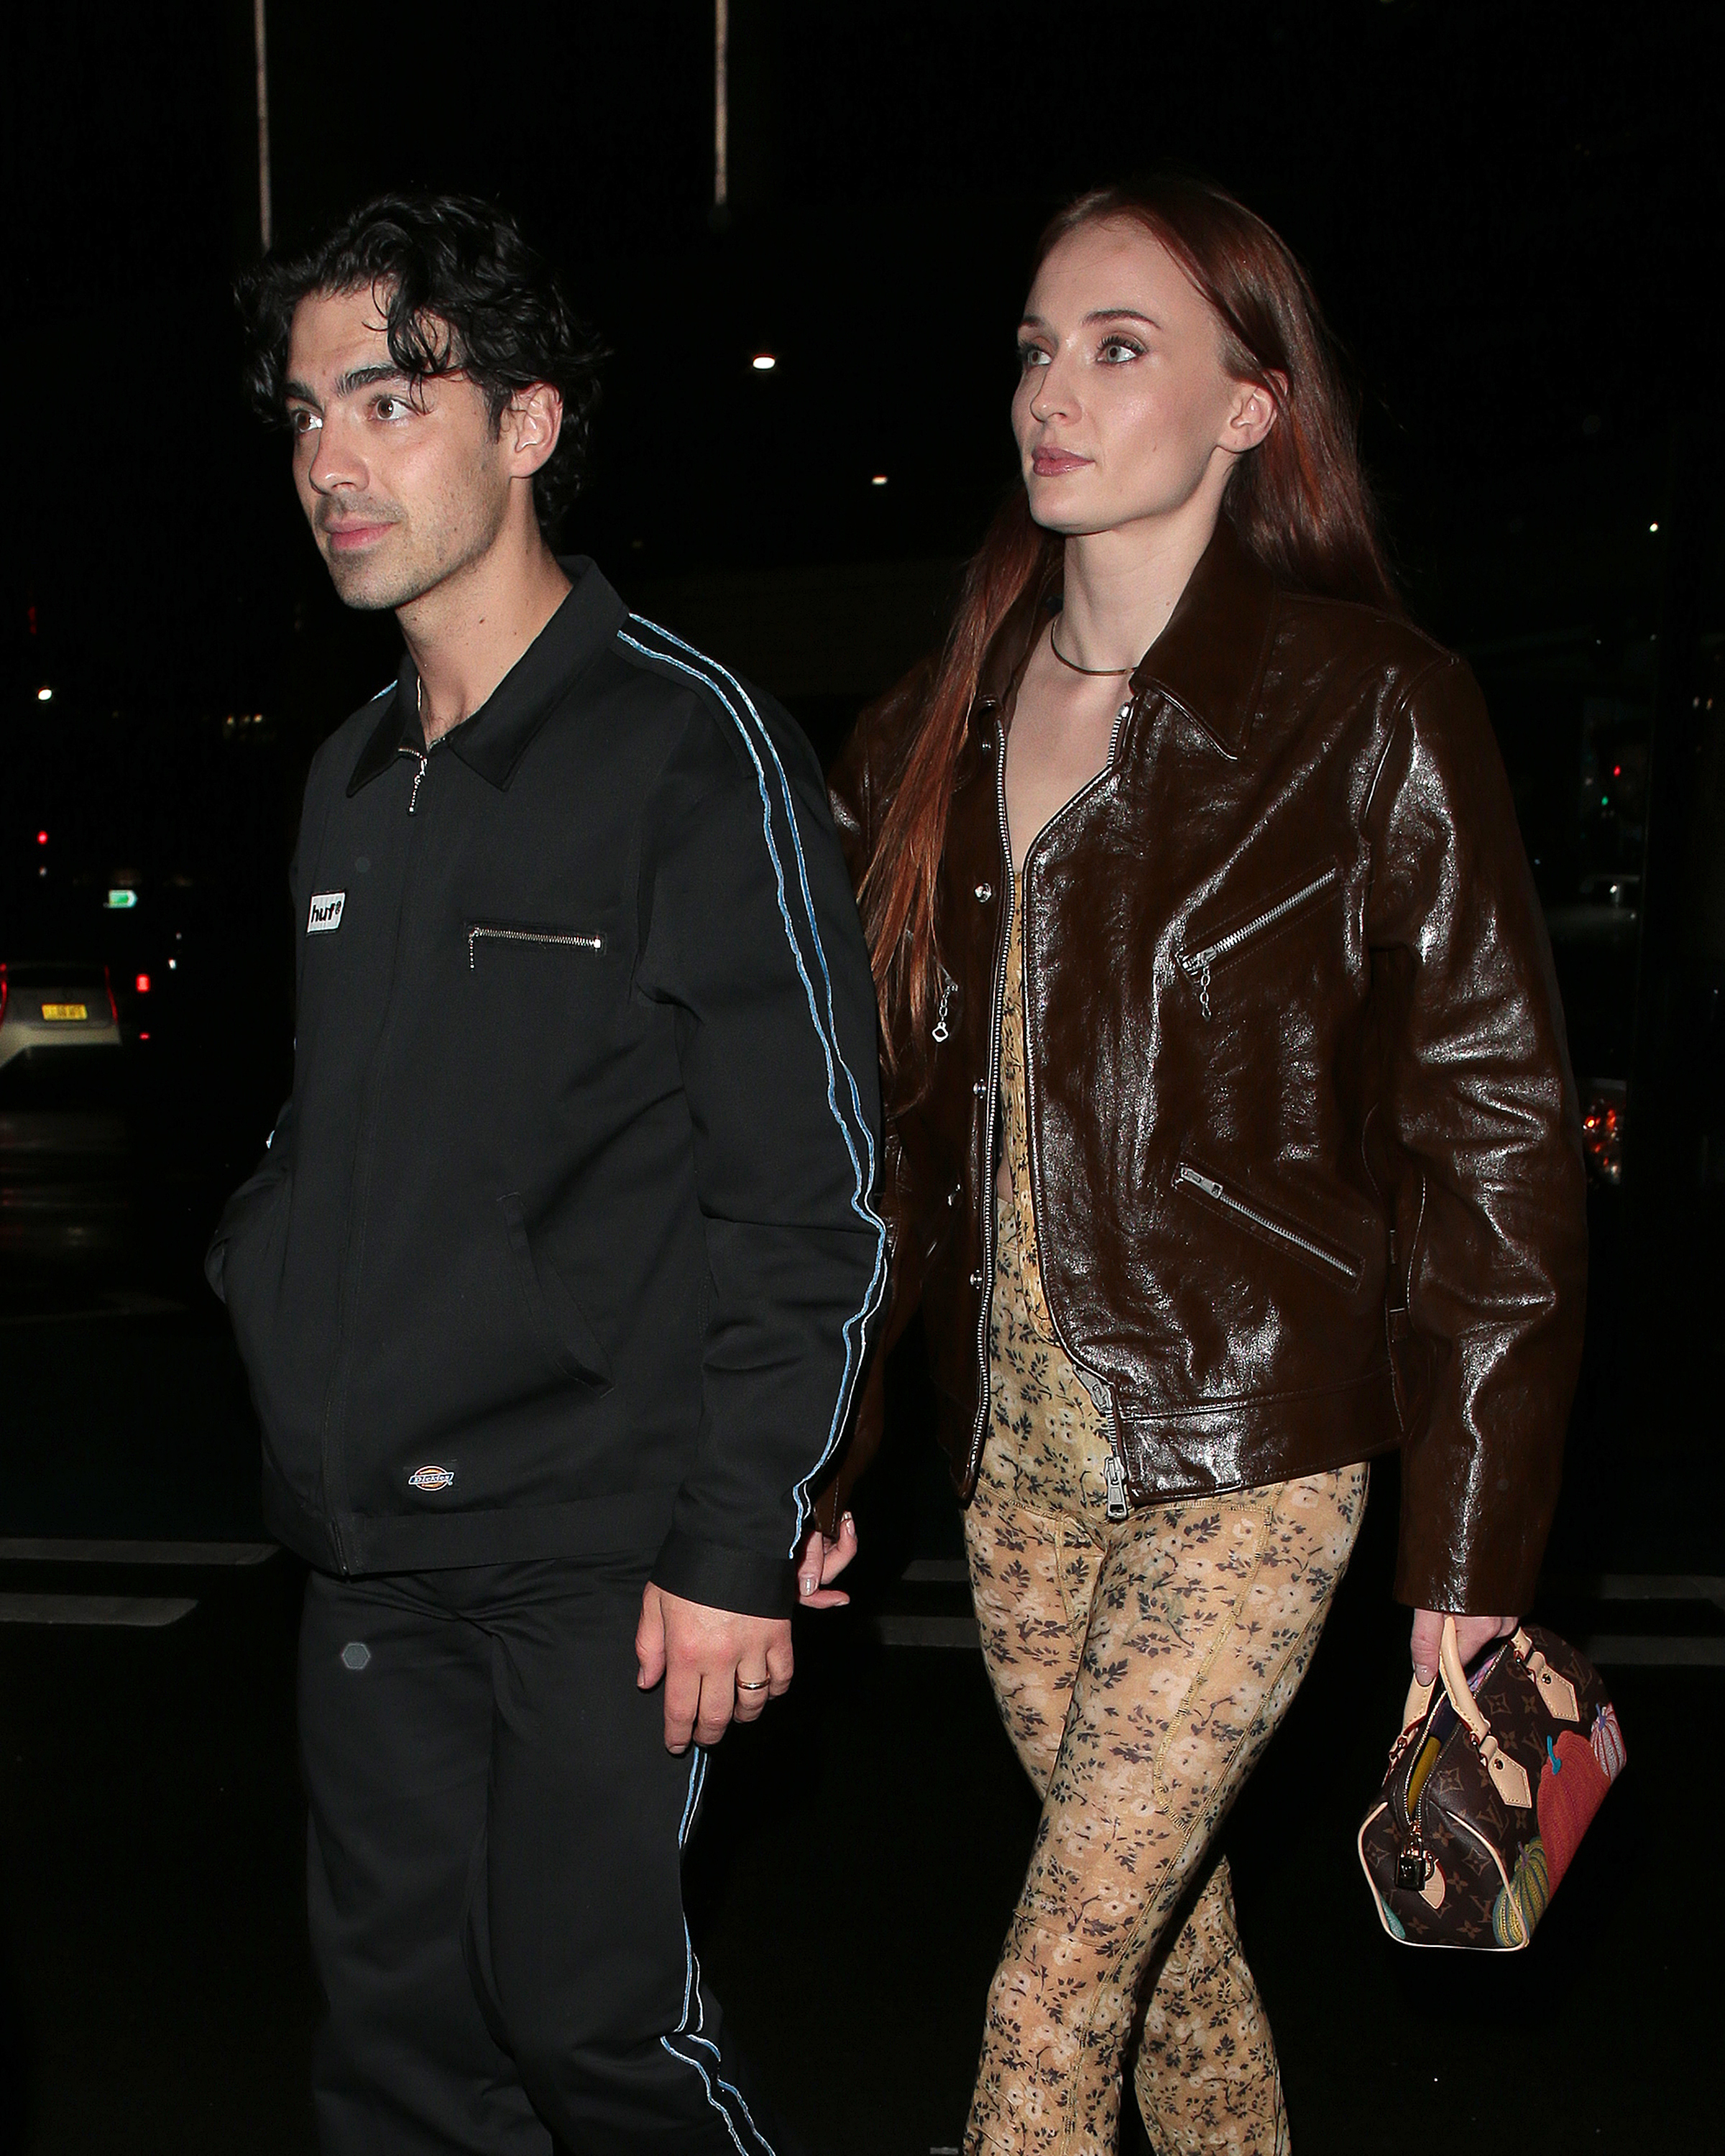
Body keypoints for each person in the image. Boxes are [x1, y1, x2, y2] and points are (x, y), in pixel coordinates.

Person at [811, 178, 1587, 2154]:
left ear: (1251, 407)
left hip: (1256, 1452)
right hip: (1018, 1478)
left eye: (1121, 347)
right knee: (1177, 1969)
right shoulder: (928, 732)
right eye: (1035, 348)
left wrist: (1471, 1563)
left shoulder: (1366, 709)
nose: (1053, 392)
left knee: (1052, 1999)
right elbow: (874, 1154)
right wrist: (819, 1448)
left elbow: (1495, 1141)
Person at [210, 193, 882, 2155]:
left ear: (527, 424)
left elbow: (813, 1188)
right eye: (306, 411)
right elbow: (339, 1126)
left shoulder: (688, 746)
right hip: (368, 1546)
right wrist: (266, 1273)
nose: (333, 458)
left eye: (390, 399)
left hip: (601, 1552)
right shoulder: (349, 773)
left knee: (594, 2035)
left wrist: (743, 1523)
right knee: (402, 2062)